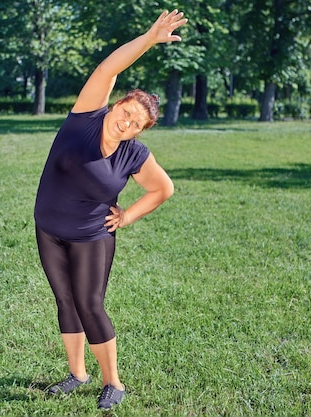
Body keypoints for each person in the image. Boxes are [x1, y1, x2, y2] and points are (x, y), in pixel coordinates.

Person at [33, 9, 187, 411]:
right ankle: (76, 374)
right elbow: (109, 66)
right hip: (48, 229)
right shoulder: (84, 117)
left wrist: (128, 215)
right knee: (64, 300)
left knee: (89, 304)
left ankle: (113, 382)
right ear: (115, 104)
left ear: (139, 132)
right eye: (126, 112)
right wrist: (150, 38)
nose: (126, 123)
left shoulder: (133, 153)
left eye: (135, 123)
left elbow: (162, 188)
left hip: (91, 236)